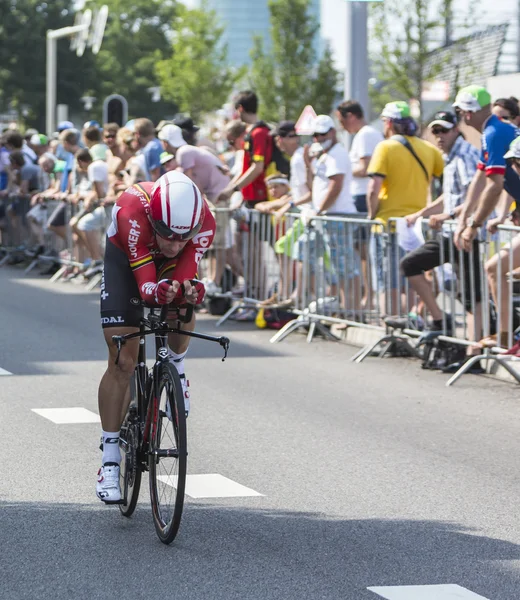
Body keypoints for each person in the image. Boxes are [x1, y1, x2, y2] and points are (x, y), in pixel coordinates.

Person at [96, 171, 215, 503]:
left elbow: (185, 266)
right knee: (123, 359)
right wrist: (155, 291)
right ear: (154, 218)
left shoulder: (205, 221)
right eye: (168, 234)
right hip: (126, 261)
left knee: (184, 298)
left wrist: (188, 290)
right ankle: (109, 458)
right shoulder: (131, 210)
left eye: (183, 237)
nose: (175, 243)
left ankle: (176, 365)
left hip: (166, 267)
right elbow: (146, 284)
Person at [400, 111, 480, 335]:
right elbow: (450, 195)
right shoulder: (450, 156)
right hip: (451, 233)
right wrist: (422, 213)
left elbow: (475, 197)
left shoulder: (465, 154)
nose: (439, 136)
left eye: (444, 130)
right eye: (435, 131)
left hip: (467, 233)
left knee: (471, 294)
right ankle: (440, 320)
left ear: (456, 129)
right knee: (411, 264)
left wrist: (449, 216)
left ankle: (474, 346)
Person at [367, 101, 444, 315]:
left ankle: (391, 329)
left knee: (388, 284)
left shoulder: (385, 147)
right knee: (410, 280)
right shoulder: (428, 148)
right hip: (416, 226)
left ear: (389, 123)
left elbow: (374, 188)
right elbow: (444, 181)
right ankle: (412, 324)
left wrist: (371, 215)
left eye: (383, 121)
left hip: (388, 226)